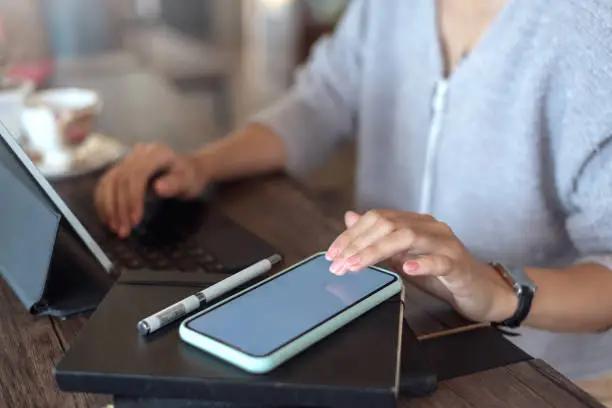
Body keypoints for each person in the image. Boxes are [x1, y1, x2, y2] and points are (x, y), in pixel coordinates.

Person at [95, 0, 612, 402]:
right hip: (384, 325)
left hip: (536, 372)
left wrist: (497, 293)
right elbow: (322, 100)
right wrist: (202, 166)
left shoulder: (591, 32)